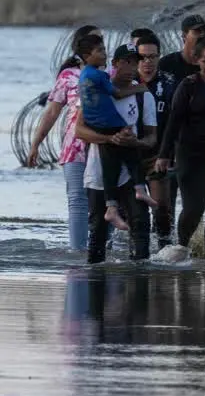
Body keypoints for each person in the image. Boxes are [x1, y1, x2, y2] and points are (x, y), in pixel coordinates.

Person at [75, 50, 158, 263]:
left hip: (130, 171)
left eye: (135, 63)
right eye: (126, 63)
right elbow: (80, 131)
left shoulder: (143, 95)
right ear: (114, 64)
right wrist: (110, 139)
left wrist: (134, 142)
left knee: (140, 224)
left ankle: (140, 276)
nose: (131, 68)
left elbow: (151, 139)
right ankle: (95, 279)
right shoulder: (95, 87)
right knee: (98, 232)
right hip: (98, 170)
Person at [27, 25, 102, 250]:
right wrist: (35, 144)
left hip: (103, 145)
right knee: (78, 201)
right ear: (83, 47)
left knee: (104, 201)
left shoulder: (110, 74)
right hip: (75, 147)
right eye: (97, 41)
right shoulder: (68, 76)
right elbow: (51, 112)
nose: (103, 47)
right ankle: (79, 252)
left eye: (103, 42)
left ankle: (101, 248)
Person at [156, 34, 205, 260]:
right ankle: (182, 248)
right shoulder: (188, 86)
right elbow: (174, 121)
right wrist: (164, 155)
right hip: (190, 155)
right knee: (193, 208)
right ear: (197, 60)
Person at [157, 14, 205, 230]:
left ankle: (188, 244)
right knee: (165, 203)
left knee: (196, 202)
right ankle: (162, 246)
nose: (202, 36)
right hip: (169, 141)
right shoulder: (168, 64)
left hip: (197, 144)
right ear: (184, 36)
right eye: (196, 32)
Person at [133, 31, 177, 250]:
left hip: (157, 154)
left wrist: (168, 153)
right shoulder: (125, 83)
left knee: (161, 208)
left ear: (159, 57)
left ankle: (164, 249)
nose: (147, 62)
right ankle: (133, 249)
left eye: (152, 56)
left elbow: (175, 122)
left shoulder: (169, 84)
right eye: (142, 57)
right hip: (129, 154)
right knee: (130, 208)